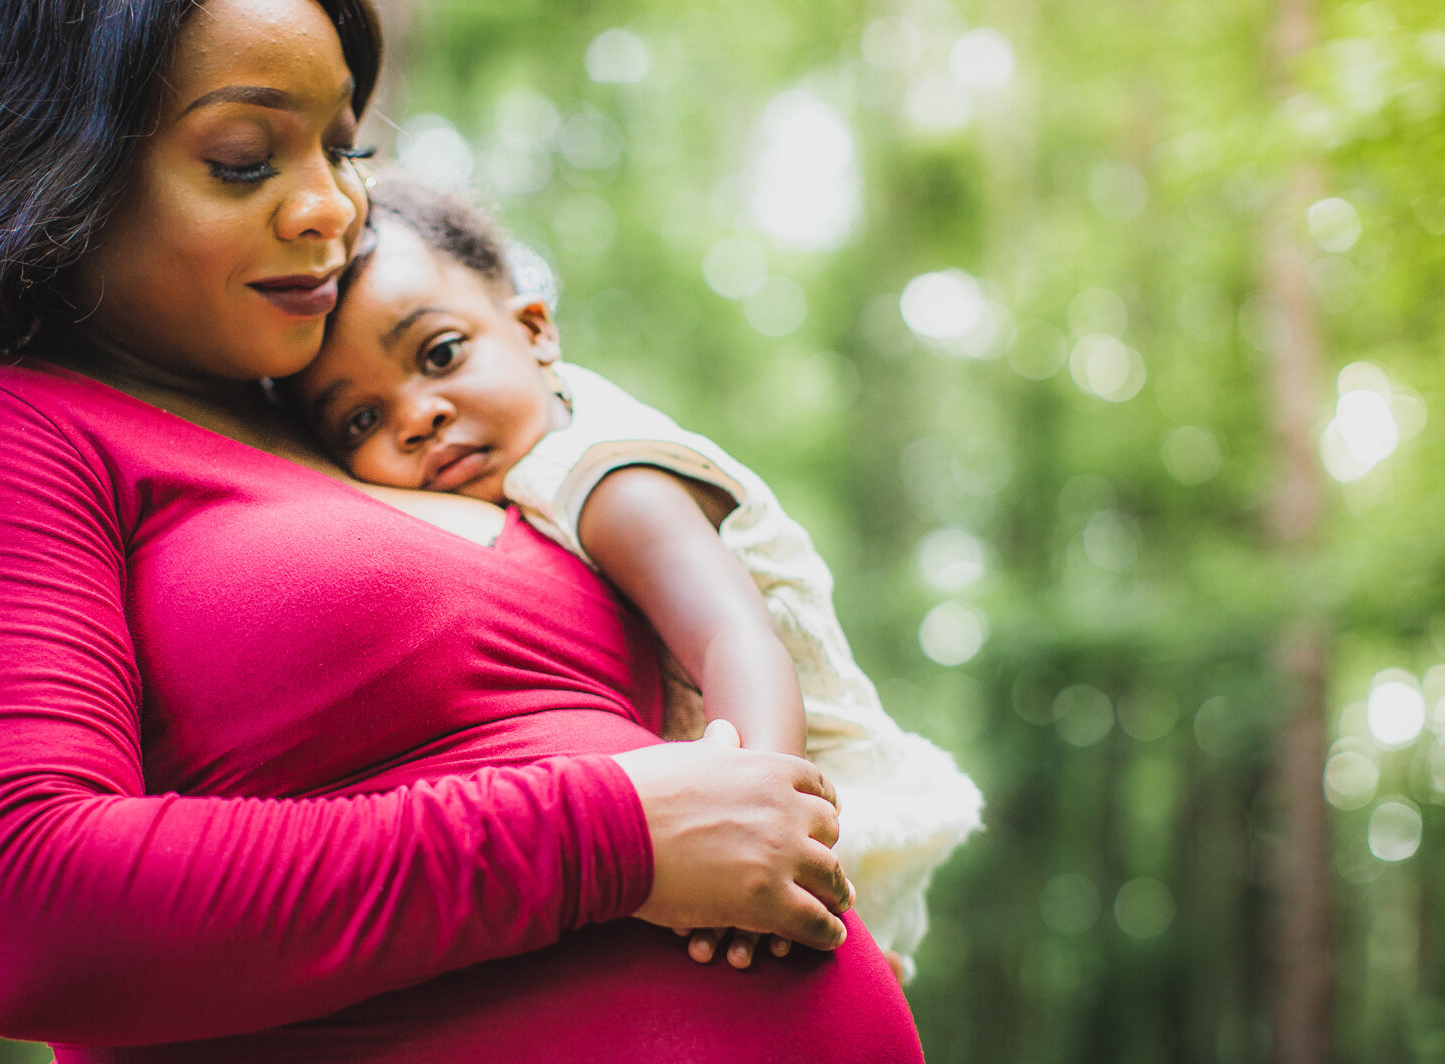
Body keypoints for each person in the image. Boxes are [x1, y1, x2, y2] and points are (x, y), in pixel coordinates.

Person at [0, 0, 928, 1064]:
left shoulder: (371, 422)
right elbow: (25, 902)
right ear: (51, 163)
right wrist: (608, 836)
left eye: (339, 145)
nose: (331, 207)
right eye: (243, 159)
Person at [289, 177, 983, 981]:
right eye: (361, 420)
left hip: (808, 790)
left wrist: (761, 810)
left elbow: (734, 636)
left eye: (440, 354)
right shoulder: (538, 442)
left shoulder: (604, 478)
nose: (418, 414)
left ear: (535, 329)